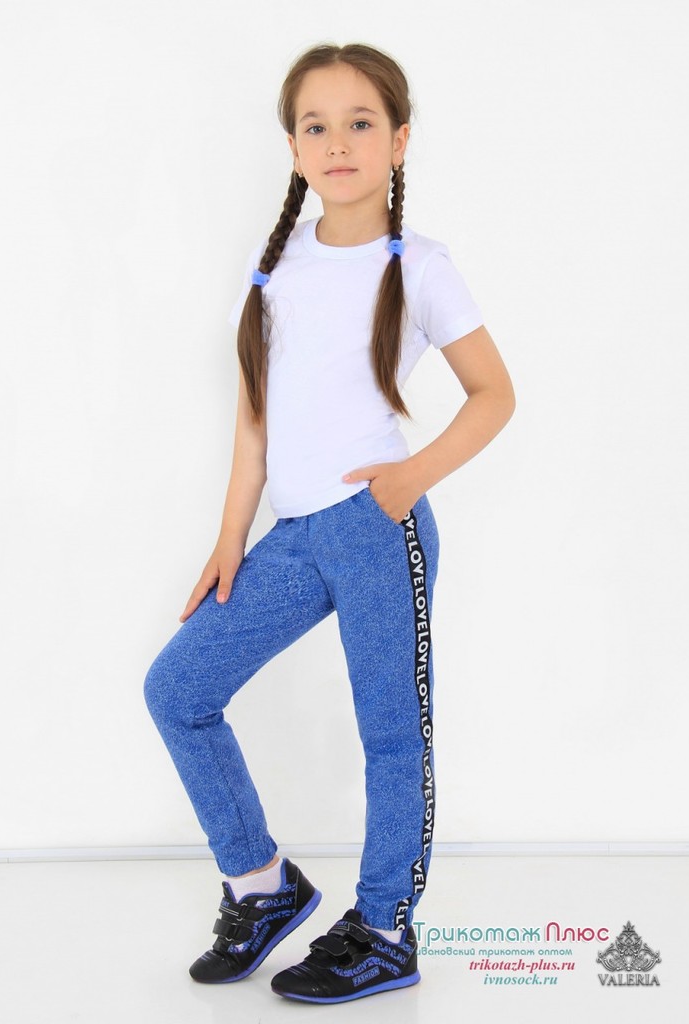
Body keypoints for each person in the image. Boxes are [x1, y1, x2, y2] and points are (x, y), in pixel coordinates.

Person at [143, 41, 515, 1004]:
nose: (338, 143)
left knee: (390, 734)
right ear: (294, 148)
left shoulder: (422, 266)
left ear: (398, 140)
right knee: (178, 687)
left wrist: (409, 479)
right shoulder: (275, 266)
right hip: (296, 535)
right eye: (317, 126)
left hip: (377, 527)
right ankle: (261, 884)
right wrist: (231, 537)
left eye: (360, 123)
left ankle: (385, 928)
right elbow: (254, 420)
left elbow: (494, 394)